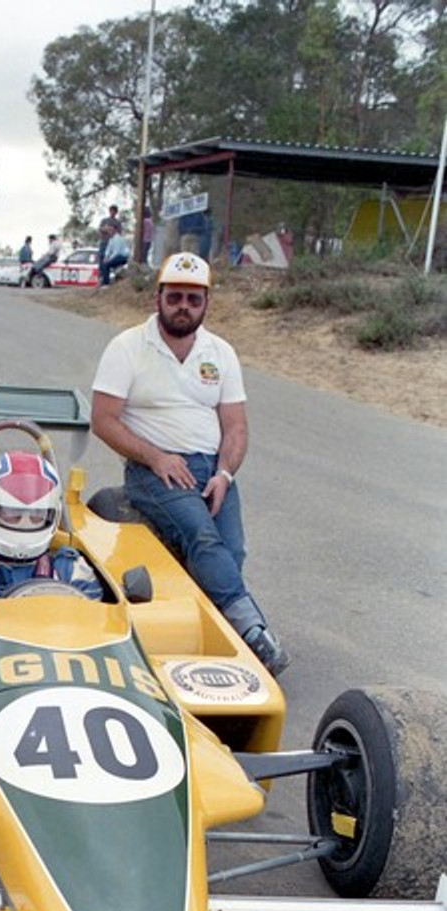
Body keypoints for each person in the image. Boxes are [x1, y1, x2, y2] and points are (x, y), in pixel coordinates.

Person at [90, 251, 289, 675]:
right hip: (154, 469)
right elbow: (103, 420)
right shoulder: (126, 347)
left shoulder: (221, 352)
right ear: (157, 298)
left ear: (206, 304)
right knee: (202, 537)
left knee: (232, 551)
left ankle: (208, 634)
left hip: (211, 471)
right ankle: (254, 634)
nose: (184, 306)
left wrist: (224, 474)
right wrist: (156, 457)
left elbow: (235, 427)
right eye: (175, 296)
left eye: (193, 299)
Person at [0, 451, 102, 600]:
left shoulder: (70, 568)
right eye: (12, 513)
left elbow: (94, 622)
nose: (25, 523)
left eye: (37, 515)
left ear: (53, 514)